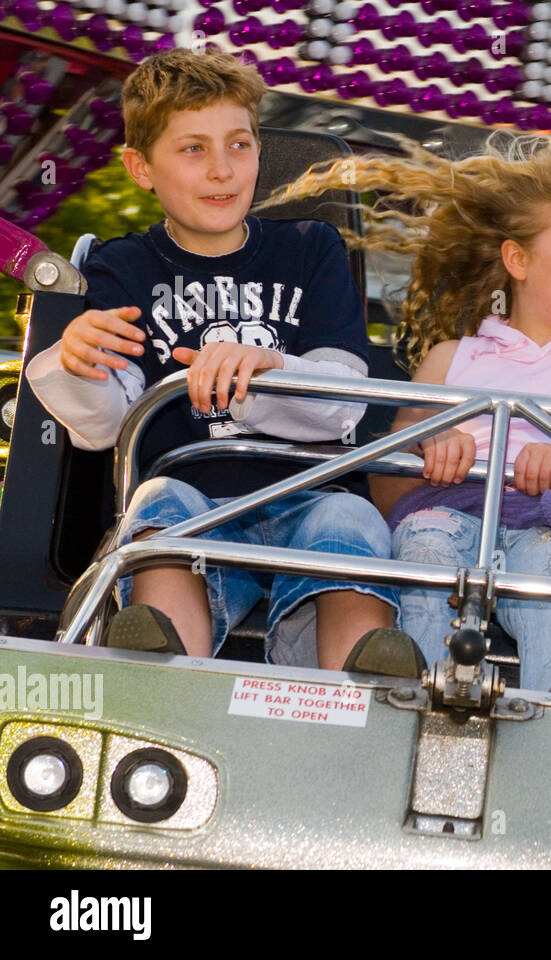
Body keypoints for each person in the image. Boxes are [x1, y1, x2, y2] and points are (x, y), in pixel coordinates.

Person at [25, 48, 412, 675]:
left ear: (260, 151)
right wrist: (75, 361)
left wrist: (264, 370)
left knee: (350, 514)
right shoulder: (119, 268)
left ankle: (364, 695)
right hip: (195, 503)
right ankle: (160, 676)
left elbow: (341, 406)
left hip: (310, 496)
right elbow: (101, 426)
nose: (222, 170)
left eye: (238, 144)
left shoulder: (313, 249)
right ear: (140, 168)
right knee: (158, 498)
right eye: (193, 149)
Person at [276, 135, 551, 696]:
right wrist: (430, 444)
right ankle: (413, 688)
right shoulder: (453, 359)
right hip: (449, 514)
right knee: (424, 544)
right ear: (517, 259)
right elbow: (383, 489)